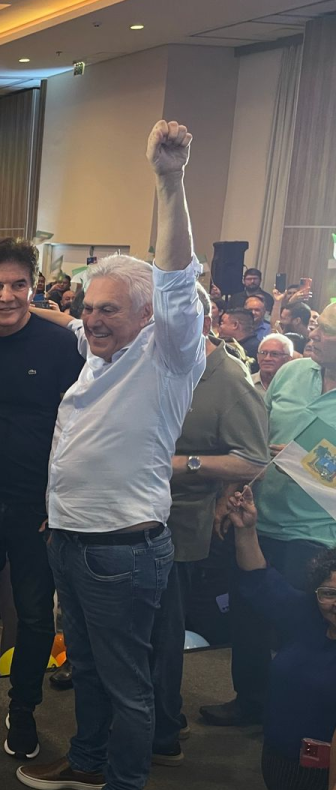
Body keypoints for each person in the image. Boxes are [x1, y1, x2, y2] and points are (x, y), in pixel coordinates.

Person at [15, 120, 206, 790]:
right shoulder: (97, 350)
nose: (93, 320)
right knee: (89, 668)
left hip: (122, 551)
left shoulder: (168, 356)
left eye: (109, 310)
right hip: (71, 541)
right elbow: (62, 319)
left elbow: (177, 279)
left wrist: (169, 180)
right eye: (88, 308)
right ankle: (89, 760)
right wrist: (3, 308)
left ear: (148, 316)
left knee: (129, 684)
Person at [0, 239, 83, 757]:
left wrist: (60, 501)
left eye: (18, 285)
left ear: (33, 287)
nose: (7, 295)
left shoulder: (59, 346)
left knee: (34, 615)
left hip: (38, 507)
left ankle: (23, 706)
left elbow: (79, 426)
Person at [202, 303, 336, 727]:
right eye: (316, 326)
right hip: (259, 518)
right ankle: (250, 700)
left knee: (301, 625)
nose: (313, 334)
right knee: (247, 616)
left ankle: (298, 713)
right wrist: (229, 494)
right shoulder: (293, 372)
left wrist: (304, 462)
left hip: (317, 532)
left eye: (325, 331)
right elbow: (252, 438)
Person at [150, 284, 267, 765]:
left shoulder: (229, 378)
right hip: (137, 512)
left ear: (203, 321)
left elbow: (253, 459)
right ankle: (156, 717)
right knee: (142, 626)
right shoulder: (158, 361)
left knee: (163, 627)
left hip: (181, 522)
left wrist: (185, 464)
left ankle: (162, 729)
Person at [223, 486, 336, 790]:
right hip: (283, 767)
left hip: (331, 780)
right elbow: (259, 577)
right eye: (329, 592)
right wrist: (246, 529)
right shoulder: (305, 617)